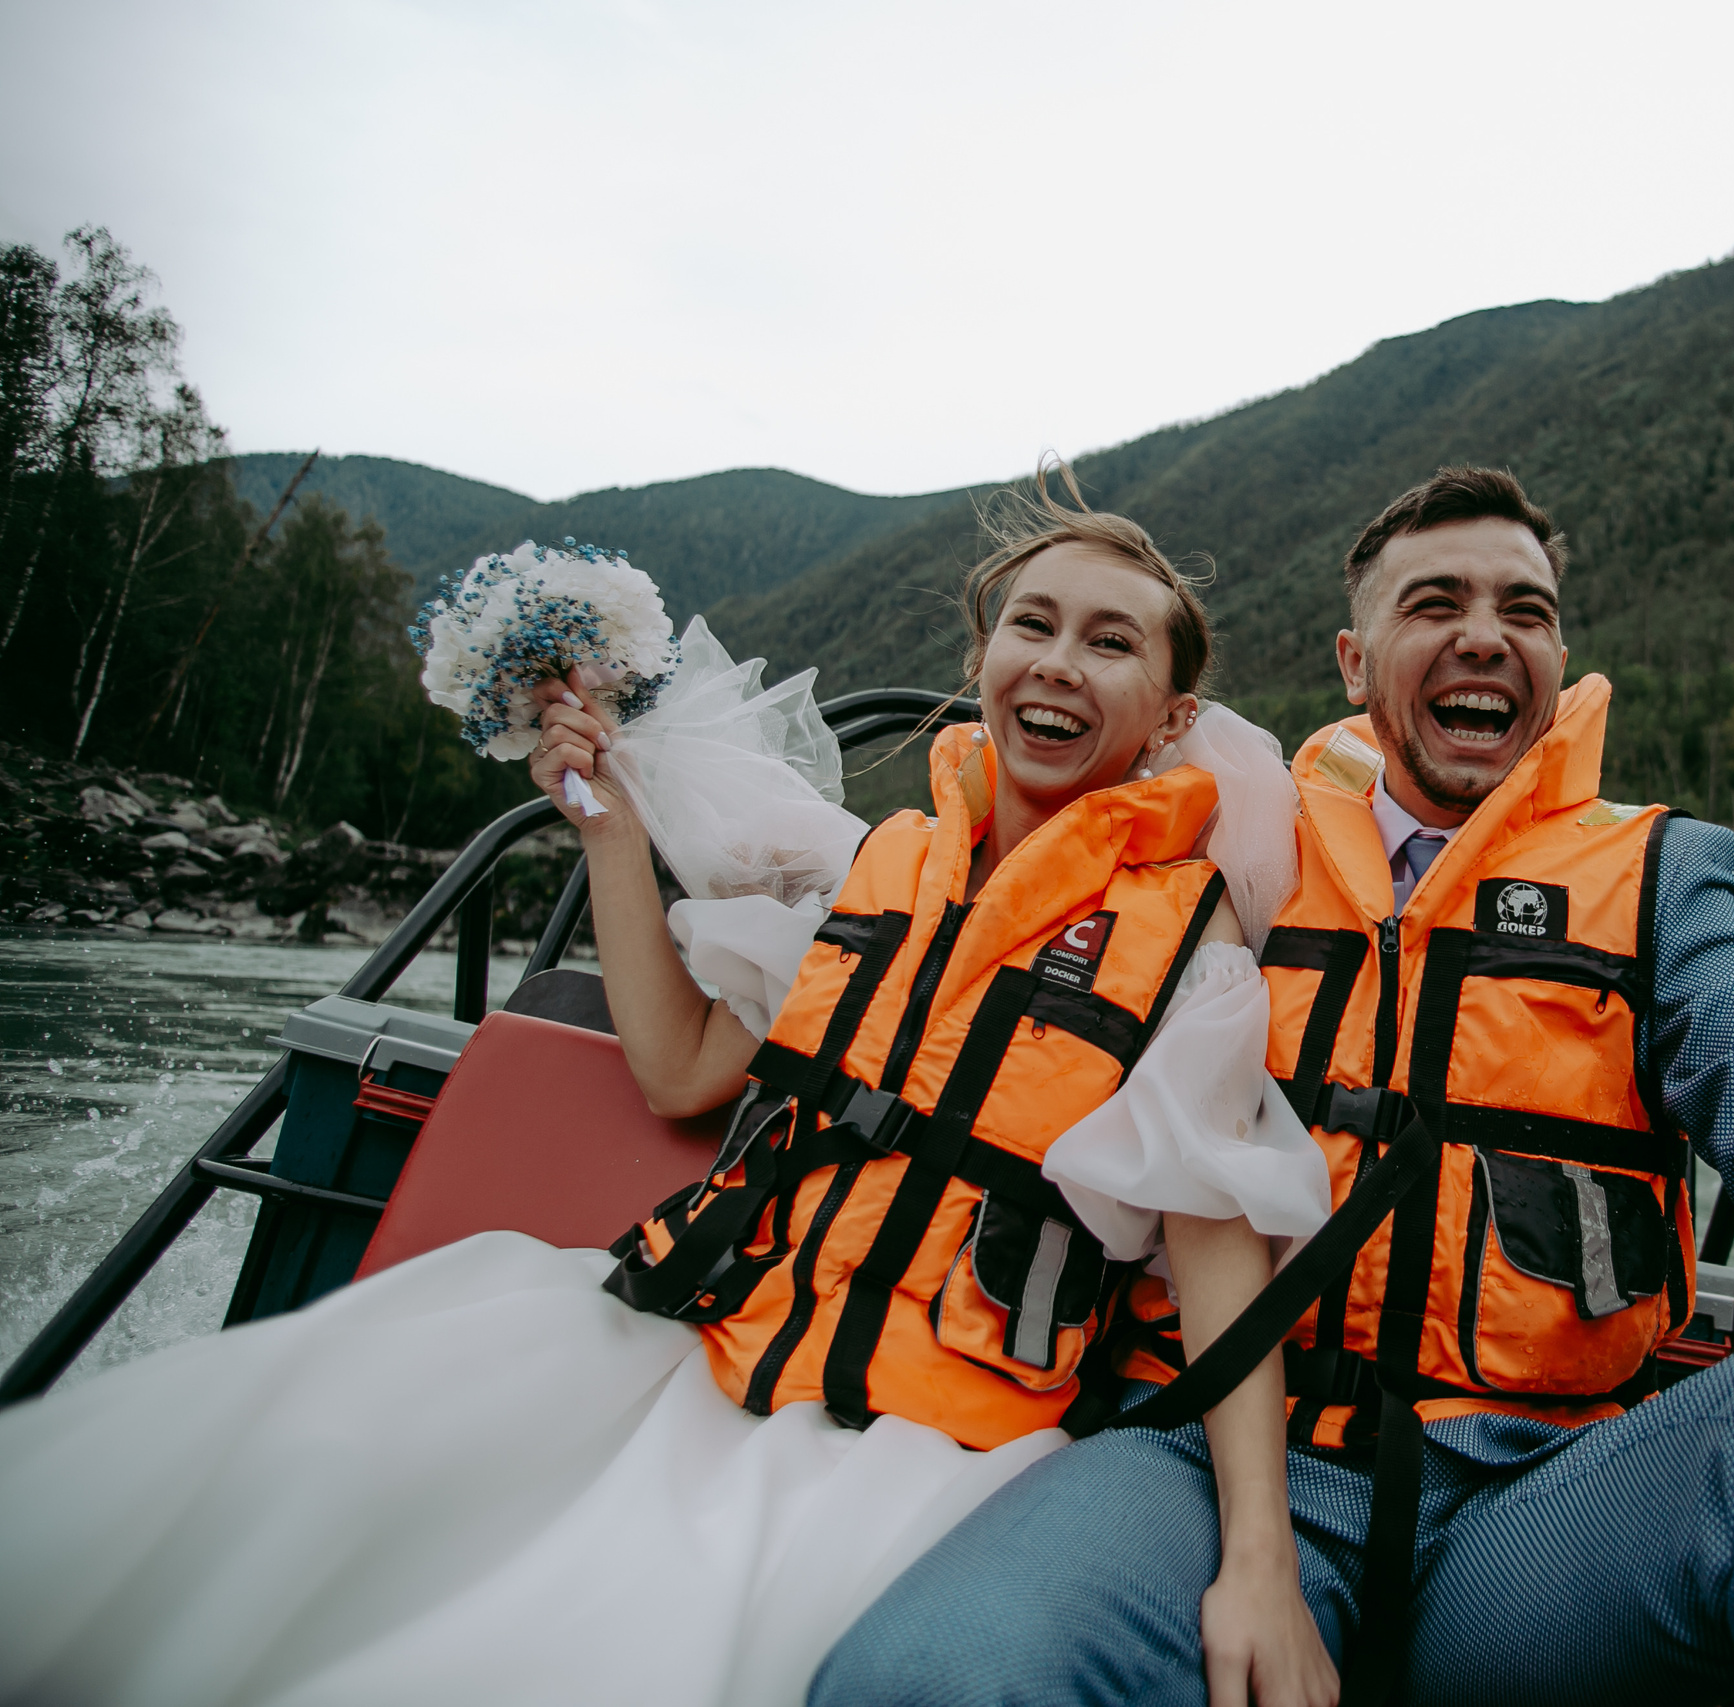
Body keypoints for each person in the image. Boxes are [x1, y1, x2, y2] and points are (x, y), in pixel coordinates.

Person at [0, 478, 1330, 1707]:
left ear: (1166, 721)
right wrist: (607, 830)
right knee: (320, 1454)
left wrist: (1256, 1558)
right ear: (978, 666)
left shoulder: (1189, 950)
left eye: (1111, 642)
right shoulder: (873, 871)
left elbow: (1220, 1245)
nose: (1056, 659)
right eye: (1030, 624)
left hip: (938, 1442)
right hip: (696, 1351)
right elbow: (684, 1066)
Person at [814, 467, 1734, 1706]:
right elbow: (981, 909)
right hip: (1208, 1468)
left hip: (1535, 1503)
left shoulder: (1663, 875)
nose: (1485, 636)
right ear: (1354, 661)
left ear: (1555, 661)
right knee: (921, 1683)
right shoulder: (1216, 851)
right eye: (1435, 605)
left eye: (1524, 612)